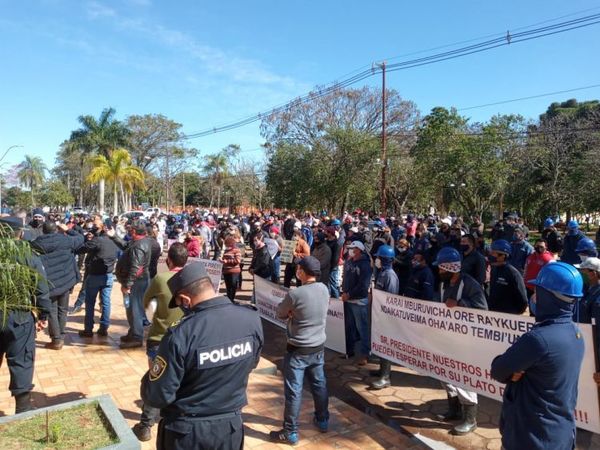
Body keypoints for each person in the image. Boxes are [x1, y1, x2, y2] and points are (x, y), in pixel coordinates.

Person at [140, 262, 263, 450]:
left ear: (185, 299)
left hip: (186, 433)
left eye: (180, 304)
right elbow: (251, 363)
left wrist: (149, 379)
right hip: (229, 429)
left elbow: (158, 396)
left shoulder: (180, 335)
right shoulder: (251, 319)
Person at [491, 262, 584, 450]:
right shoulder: (576, 333)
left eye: (538, 291)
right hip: (561, 434)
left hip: (531, 437)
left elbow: (499, 370)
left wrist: (512, 372)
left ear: (549, 296)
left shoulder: (538, 339)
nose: (534, 296)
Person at [270, 256, 330, 445]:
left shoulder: (296, 294)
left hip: (298, 349)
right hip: (318, 347)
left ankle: (290, 431)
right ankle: (322, 420)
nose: (297, 271)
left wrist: (290, 313)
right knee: (319, 385)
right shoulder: (324, 289)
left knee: (294, 390)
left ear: (303, 272)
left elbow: (280, 312)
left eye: (298, 269)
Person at [132, 243, 188, 442]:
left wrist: (157, 312)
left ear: (168, 260)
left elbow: (146, 302)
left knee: (156, 380)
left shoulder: (161, 278)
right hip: (185, 338)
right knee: (182, 380)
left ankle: (146, 425)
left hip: (159, 338)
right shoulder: (193, 280)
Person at [434, 247, 487, 435]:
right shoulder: (444, 284)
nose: (438, 272)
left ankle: (470, 419)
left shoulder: (470, 285)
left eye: (441, 269)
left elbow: (483, 310)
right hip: (447, 337)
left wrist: (460, 304)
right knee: (444, 373)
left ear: (450, 269)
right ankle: (454, 409)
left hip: (466, 341)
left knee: (464, 378)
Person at [0, 216, 50, 413]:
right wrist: (44, 315)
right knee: (21, 359)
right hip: (18, 316)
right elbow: (41, 288)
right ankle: (22, 407)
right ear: (20, 233)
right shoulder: (28, 255)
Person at [31, 221, 84, 350]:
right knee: (63, 310)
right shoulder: (65, 240)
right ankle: (60, 335)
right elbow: (80, 238)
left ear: (43, 231)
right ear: (56, 229)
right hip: (65, 281)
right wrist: (67, 229)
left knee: (53, 312)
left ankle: (56, 339)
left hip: (49, 283)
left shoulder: (36, 244)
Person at [107, 222, 152, 349]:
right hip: (138, 281)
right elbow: (126, 246)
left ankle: (137, 337)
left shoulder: (139, 246)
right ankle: (133, 332)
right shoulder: (139, 242)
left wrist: (128, 285)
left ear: (134, 232)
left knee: (134, 309)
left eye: (130, 230)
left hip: (136, 282)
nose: (128, 231)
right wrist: (114, 236)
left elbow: (136, 268)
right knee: (131, 308)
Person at [77, 222, 119, 337]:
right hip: (108, 275)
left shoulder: (98, 240)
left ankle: (88, 329)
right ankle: (104, 328)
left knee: (90, 303)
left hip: (95, 275)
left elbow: (82, 248)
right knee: (106, 302)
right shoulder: (115, 242)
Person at [369, 245, 400, 390]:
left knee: (386, 346)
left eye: (379, 258)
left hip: (386, 316)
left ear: (386, 260)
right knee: (380, 344)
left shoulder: (390, 276)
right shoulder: (382, 273)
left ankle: (385, 377)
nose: (377, 260)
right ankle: (382, 370)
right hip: (378, 313)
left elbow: (390, 299)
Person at [341, 240, 373, 365]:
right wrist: (344, 292)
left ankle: (365, 353)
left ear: (359, 250)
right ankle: (349, 351)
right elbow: (345, 278)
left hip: (359, 300)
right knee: (348, 327)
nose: (350, 250)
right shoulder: (349, 262)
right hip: (347, 299)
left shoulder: (365, 265)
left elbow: (363, 285)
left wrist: (349, 294)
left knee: (362, 329)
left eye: (352, 248)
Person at [487, 239, 528, 315]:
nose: (491, 255)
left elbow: (523, 300)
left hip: (508, 317)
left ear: (503, 256)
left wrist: (514, 315)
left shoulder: (513, 273)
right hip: (493, 314)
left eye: (493, 253)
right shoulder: (494, 269)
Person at [221, 236, 242, 301]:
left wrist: (227, 261)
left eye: (226, 244)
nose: (225, 245)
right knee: (228, 287)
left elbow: (238, 261)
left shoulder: (237, 250)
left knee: (233, 286)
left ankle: (231, 299)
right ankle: (229, 298)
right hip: (226, 271)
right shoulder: (226, 250)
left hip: (234, 271)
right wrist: (222, 260)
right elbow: (225, 259)